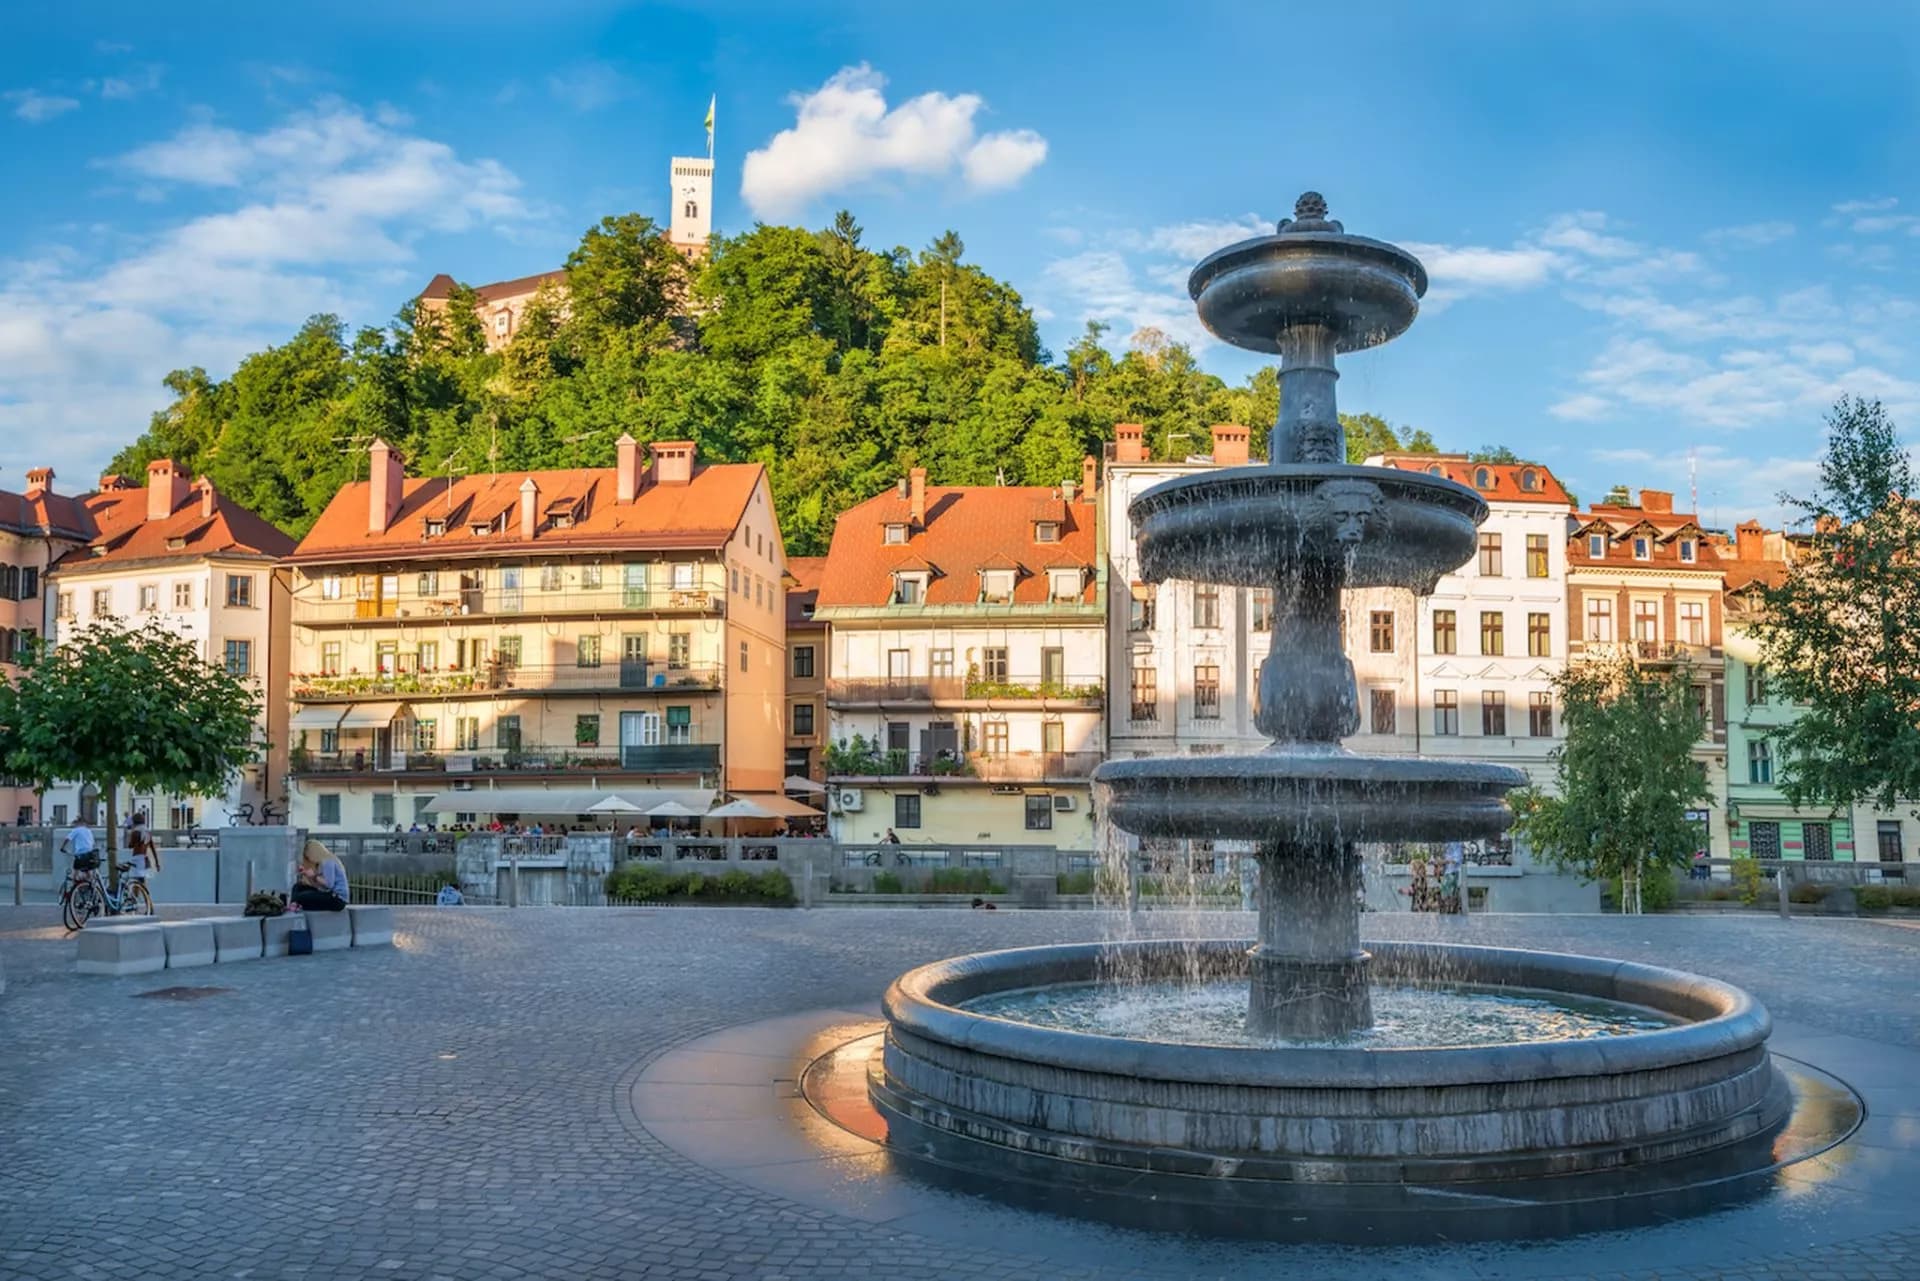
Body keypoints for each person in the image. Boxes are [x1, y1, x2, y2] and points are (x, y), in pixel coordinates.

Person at [291, 840, 350, 912]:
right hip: (328, 894)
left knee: (301, 897)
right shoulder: (320, 864)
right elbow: (319, 887)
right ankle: (294, 904)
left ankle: (295, 904)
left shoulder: (328, 862)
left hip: (337, 899)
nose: (309, 858)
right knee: (298, 886)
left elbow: (329, 884)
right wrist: (307, 875)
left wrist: (314, 876)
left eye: (309, 855)